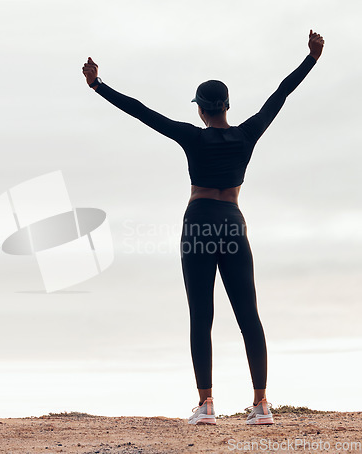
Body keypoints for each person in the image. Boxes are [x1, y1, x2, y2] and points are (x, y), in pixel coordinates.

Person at [82, 30, 324, 425]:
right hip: (232, 225)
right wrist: (311, 59)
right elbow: (280, 94)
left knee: (201, 314)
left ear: (201, 109)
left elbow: (142, 112)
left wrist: (98, 85)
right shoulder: (247, 133)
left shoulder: (191, 136)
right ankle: (261, 406)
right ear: (227, 106)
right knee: (249, 314)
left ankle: (206, 405)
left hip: (197, 224)